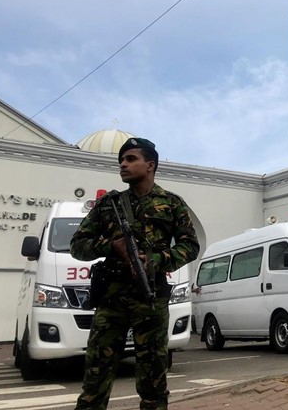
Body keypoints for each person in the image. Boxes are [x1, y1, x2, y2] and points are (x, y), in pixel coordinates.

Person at [70, 137, 201, 409]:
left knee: (153, 377)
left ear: (150, 165)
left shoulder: (172, 203)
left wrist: (155, 259)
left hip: (149, 297)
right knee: (96, 375)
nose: (123, 164)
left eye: (131, 159)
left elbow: (190, 246)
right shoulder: (109, 204)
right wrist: (111, 245)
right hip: (111, 297)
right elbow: (77, 246)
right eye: (121, 159)